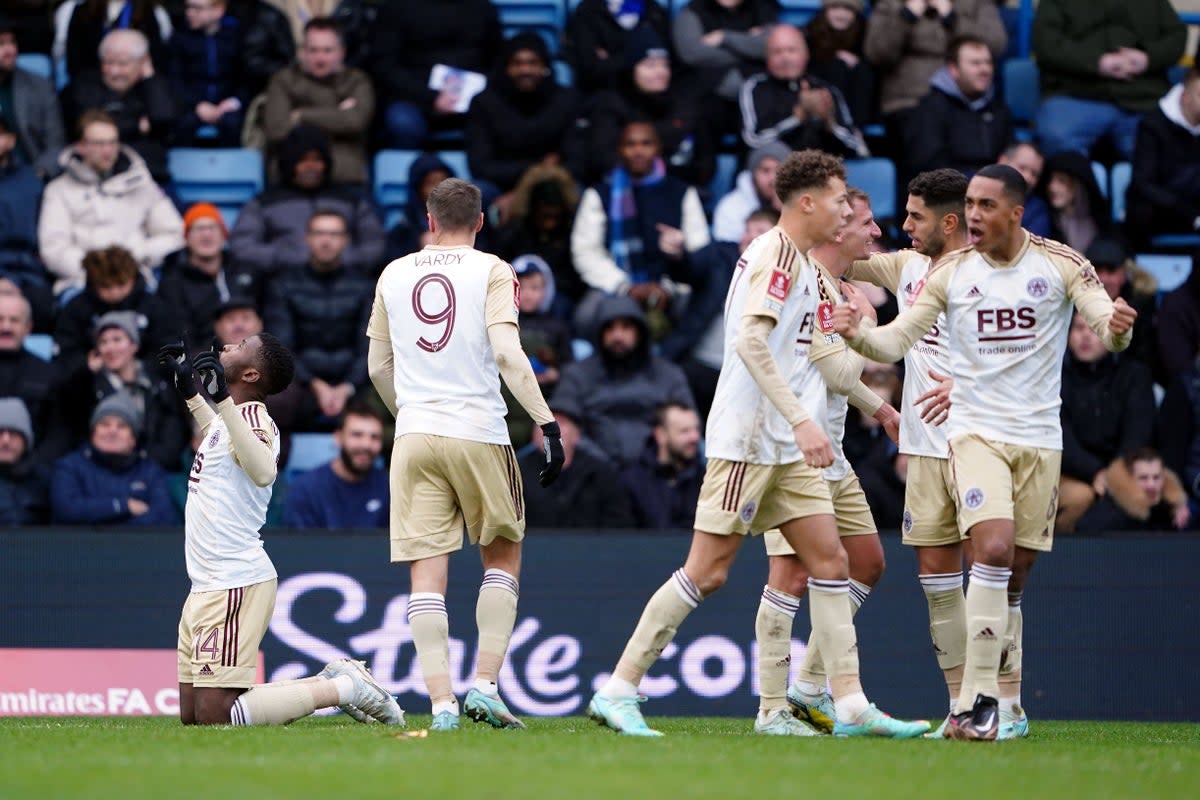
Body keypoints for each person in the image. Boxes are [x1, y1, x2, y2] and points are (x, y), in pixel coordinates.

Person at [586, 149, 927, 739]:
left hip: (788, 449)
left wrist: (880, 408)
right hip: (748, 440)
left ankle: (844, 705)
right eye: (842, 200)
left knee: (833, 563)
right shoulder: (772, 254)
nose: (850, 211)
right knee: (708, 572)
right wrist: (801, 420)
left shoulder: (808, 268)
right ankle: (618, 689)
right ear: (808, 202)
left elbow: (820, 355)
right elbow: (748, 342)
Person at [832, 164, 1137, 740]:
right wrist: (855, 320)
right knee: (971, 561)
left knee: (1009, 573)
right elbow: (889, 328)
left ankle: (1008, 704)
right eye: (969, 204)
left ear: (1014, 212)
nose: (974, 215)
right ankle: (971, 705)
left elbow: (1107, 326)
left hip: (1037, 440)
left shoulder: (1060, 263)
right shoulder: (927, 269)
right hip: (952, 438)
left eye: (983, 205)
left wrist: (1118, 326)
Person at [365, 177, 564, 731]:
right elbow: (506, 350)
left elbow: (378, 368)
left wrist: (406, 414)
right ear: (480, 221)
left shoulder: (394, 272)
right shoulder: (494, 270)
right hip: (478, 429)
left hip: (415, 433)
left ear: (429, 221)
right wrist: (547, 423)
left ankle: (441, 707)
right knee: (502, 556)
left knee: (426, 577)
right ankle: (485, 686)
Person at [156, 332, 403, 727]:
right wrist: (191, 391)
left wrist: (219, 399)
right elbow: (220, 436)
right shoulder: (231, 420)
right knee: (194, 717)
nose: (229, 345)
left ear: (251, 374)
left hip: (234, 580)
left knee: (217, 715)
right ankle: (337, 682)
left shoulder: (257, 419)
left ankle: (343, 689)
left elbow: (263, 470)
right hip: (205, 582)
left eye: (241, 346)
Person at [839, 168, 975, 735]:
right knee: (937, 579)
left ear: (949, 221)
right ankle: (964, 708)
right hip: (923, 447)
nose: (903, 226)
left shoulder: (991, 272)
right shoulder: (908, 266)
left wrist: (966, 386)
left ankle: (1005, 704)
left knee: (996, 569)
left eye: (915, 216)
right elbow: (836, 256)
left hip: (980, 439)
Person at [763, 188, 903, 736]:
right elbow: (831, 369)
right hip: (791, 445)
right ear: (838, 228)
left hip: (833, 449)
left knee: (866, 561)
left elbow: (836, 375)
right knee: (787, 573)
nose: (875, 234)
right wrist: (865, 336)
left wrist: (879, 407)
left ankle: (806, 688)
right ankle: (773, 707)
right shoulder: (804, 283)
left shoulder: (841, 291)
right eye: (866, 223)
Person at [570, 120, 711, 339]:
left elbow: (700, 250)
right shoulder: (600, 194)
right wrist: (625, 287)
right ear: (620, 149)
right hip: (617, 285)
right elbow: (586, 252)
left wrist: (668, 286)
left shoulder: (681, 192)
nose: (638, 151)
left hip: (672, 286)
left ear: (658, 148)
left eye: (646, 144)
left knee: (698, 310)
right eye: (630, 144)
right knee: (586, 317)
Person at [38, 111, 184, 295]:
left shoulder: (142, 183)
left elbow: (174, 234)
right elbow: (54, 250)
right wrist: (100, 272)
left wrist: (134, 257)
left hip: (137, 281)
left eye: (112, 142)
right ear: (81, 146)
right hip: (81, 285)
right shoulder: (58, 190)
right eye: (99, 144)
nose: (107, 150)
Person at [551, 294, 695, 466]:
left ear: (639, 332)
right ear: (599, 333)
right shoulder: (578, 374)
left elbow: (687, 421)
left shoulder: (668, 375)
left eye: (626, 327)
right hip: (592, 473)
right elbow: (560, 421)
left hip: (659, 472)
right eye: (610, 328)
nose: (617, 336)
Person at [1032, 0, 1186, 161]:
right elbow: (1045, 45)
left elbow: (1177, 35)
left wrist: (1148, 58)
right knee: (1057, 139)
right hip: (1075, 95)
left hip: (1142, 99)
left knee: (1167, 152)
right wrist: (1097, 62)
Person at [263, 210, 374, 429]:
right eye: (319, 233)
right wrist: (315, 385)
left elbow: (369, 346)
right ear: (308, 238)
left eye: (334, 234)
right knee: (270, 405)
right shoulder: (283, 284)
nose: (326, 240)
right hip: (300, 383)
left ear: (345, 240)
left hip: (356, 384)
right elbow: (281, 346)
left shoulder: (365, 286)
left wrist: (347, 387)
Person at [229, 125, 384, 277]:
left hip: (348, 282)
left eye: (317, 160)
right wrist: (283, 258)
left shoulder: (351, 200)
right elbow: (243, 246)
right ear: (289, 163)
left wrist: (336, 259)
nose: (311, 167)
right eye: (303, 160)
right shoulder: (265, 202)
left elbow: (375, 244)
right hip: (282, 284)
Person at [864, 0, 1006, 162]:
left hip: (964, 99)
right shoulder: (892, 4)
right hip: (908, 102)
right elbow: (877, 53)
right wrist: (906, 16)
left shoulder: (975, 4)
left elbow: (996, 44)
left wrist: (951, 18)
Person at [49, 310, 189, 471]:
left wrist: (146, 466)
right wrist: (85, 375)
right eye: (103, 342)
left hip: (152, 471)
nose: (110, 348)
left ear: (134, 345)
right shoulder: (86, 386)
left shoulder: (158, 385)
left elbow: (171, 435)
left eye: (117, 340)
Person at [579, 26, 715, 189]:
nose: (660, 72)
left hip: (678, 192)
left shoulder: (684, 102)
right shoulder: (610, 103)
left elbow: (705, 161)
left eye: (664, 65)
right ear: (632, 70)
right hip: (622, 191)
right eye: (650, 65)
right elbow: (602, 158)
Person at [1057, 312, 1155, 533]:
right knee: (1081, 497)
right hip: (1070, 472)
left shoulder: (1134, 374)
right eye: (1078, 328)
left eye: (1094, 329)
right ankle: (1060, 563)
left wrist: (1114, 476)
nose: (1085, 337)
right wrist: (1095, 472)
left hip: (1124, 470)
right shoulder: (1055, 375)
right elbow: (1060, 436)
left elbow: (1138, 435)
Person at [466, 32, 582, 218]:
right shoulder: (484, 103)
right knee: (476, 194)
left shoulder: (566, 100)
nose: (525, 70)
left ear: (545, 66)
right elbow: (481, 165)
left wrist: (528, 188)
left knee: (580, 193)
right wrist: (533, 172)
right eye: (517, 63)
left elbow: (577, 162)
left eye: (532, 63)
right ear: (506, 67)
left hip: (553, 183)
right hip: (502, 185)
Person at [371, 0, 502, 149]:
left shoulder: (482, 7)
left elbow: (498, 60)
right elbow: (384, 66)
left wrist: (469, 94)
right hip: (413, 99)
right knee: (403, 123)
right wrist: (432, 98)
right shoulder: (396, 7)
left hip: (474, 98)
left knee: (502, 119)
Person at [262, 16, 374, 185]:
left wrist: (300, 115)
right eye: (313, 50)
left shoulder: (357, 81)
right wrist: (337, 115)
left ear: (341, 52)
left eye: (327, 50)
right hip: (291, 182)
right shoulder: (283, 80)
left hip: (345, 179)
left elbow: (355, 121)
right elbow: (277, 129)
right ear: (302, 52)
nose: (320, 59)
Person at [62, 28, 178, 184]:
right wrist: (137, 126)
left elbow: (164, 119)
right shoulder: (85, 85)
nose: (114, 71)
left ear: (144, 62)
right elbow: (91, 127)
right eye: (108, 62)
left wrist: (150, 78)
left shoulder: (156, 86)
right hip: (96, 178)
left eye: (123, 64)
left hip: (149, 177)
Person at [740, 24, 869, 158]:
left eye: (792, 50)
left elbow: (858, 148)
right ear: (767, 57)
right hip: (771, 174)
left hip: (818, 174)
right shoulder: (755, 87)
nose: (785, 57)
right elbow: (752, 141)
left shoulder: (826, 89)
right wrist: (797, 117)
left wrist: (830, 123)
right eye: (777, 52)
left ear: (806, 54)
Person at [49, 391, 176, 526]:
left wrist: (103, 523)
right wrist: (123, 506)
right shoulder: (69, 467)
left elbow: (163, 517)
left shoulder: (151, 472)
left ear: (133, 439)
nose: (112, 431)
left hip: (135, 547)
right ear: (93, 432)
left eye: (121, 426)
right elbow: (66, 510)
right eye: (104, 424)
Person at [52, 245, 173, 376]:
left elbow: (167, 348)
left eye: (121, 284)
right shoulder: (77, 308)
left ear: (133, 279)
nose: (114, 292)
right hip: (90, 385)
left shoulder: (152, 306)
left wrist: (139, 369)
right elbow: (65, 352)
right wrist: (86, 366)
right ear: (94, 283)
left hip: (150, 383)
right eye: (106, 286)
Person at [904, 35, 1013, 178]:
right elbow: (928, 163)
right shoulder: (930, 108)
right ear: (953, 69)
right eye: (975, 63)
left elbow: (1010, 153)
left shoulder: (999, 108)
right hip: (950, 192)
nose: (985, 69)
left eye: (988, 62)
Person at [157, 203, 259, 353]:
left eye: (212, 228)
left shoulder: (246, 269)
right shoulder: (172, 282)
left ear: (224, 235)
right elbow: (178, 336)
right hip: (205, 363)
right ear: (186, 237)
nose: (206, 235)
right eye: (198, 229)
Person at [519, 400, 635, 529]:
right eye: (543, 423)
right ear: (534, 435)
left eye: (561, 423)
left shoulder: (600, 473)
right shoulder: (517, 473)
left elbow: (619, 522)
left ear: (577, 435)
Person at [282, 401, 389, 529]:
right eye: (357, 435)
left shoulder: (390, 488)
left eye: (375, 437)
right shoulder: (306, 489)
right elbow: (297, 546)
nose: (366, 444)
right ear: (338, 438)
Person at [1127, 67, 1200, 249]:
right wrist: (1191, 214)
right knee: (1141, 209)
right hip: (1162, 210)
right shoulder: (1152, 125)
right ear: (1185, 96)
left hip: (1194, 207)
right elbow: (1143, 183)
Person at [168, 0, 248, 147]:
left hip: (227, 105)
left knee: (235, 125)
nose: (189, 13)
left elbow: (247, 78)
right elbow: (175, 80)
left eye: (197, 8)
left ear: (219, 10)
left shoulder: (236, 37)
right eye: (188, 7)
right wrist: (196, 105)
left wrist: (234, 101)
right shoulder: (179, 39)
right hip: (191, 106)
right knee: (181, 125)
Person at [0, 13, 66, 178]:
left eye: (12, 42)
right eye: (0, 44)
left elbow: (56, 145)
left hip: (31, 176)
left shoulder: (40, 86)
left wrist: (37, 175)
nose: (10, 50)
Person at [621, 403, 705, 530]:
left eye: (696, 429)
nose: (694, 437)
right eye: (684, 431)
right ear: (660, 435)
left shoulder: (706, 480)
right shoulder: (632, 481)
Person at [562, 0, 671, 95]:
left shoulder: (654, 10)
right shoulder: (588, 10)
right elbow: (589, 67)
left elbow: (664, 59)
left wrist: (612, 60)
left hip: (653, 96)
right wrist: (641, 59)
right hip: (604, 93)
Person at [1085, 238, 1158, 378]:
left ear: (1125, 274)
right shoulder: (1070, 303)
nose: (1103, 279)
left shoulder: (1142, 308)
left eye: (1111, 270)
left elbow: (1146, 359)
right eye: (1096, 270)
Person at [1077, 447, 1190, 532]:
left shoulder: (1171, 512)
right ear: (1128, 479)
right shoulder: (1108, 517)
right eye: (1143, 478)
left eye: (1156, 477)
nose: (1151, 485)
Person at [804, 0, 874, 130]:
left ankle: (854, 129)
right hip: (822, 101)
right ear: (826, 10)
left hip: (858, 107)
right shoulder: (811, 32)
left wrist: (857, 63)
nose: (841, 15)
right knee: (837, 67)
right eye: (835, 7)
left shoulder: (866, 33)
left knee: (862, 70)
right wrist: (835, 56)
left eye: (848, 9)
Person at [0, 292, 56, 455]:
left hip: (32, 473)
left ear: (28, 328)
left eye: (14, 320)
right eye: (0, 319)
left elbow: (58, 433)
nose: (6, 327)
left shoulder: (50, 374)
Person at [61, 0, 171, 82]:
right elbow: (74, 59)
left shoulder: (147, 11)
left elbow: (156, 57)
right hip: (92, 85)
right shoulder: (83, 11)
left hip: (136, 86)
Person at [1037, 150, 1112, 255]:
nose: (1052, 188)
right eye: (1049, 180)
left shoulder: (1102, 225)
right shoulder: (1043, 219)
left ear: (1079, 186)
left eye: (1062, 181)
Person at [712, 142, 787, 243]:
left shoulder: (800, 206)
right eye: (765, 170)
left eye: (779, 171)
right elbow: (726, 253)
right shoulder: (731, 207)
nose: (772, 179)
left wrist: (786, 213)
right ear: (753, 174)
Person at [0, 396, 50, 525]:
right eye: (0, 433)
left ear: (26, 441)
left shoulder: (44, 479)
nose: (5, 441)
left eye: (14, 434)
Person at [997, 142, 1050, 237]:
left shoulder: (1037, 210)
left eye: (1034, 174)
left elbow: (1032, 247)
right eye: (1022, 167)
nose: (1028, 178)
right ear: (1003, 161)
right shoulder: (969, 186)